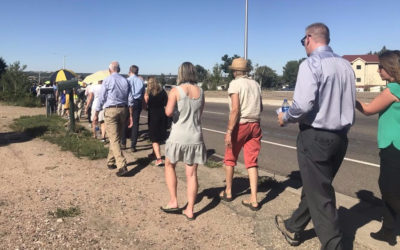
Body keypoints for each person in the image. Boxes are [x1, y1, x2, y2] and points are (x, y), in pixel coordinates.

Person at [275, 23, 356, 249]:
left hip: (316, 137)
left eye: (303, 41)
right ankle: (294, 225)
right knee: (316, 186)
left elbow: (302, 105)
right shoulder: (346, 65)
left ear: (309, 38)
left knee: (321, 197)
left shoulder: (311, 64)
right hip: (340, 138)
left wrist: (286, 117)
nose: (304, 46)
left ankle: (334, 245)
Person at [356, 50, 400, 246]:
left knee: (388, 188)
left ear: (391, 68)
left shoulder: (392, 90)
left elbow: (368, 110)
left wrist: (350, 99)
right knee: (392, 189)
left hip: (394, 146)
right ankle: (388, 230)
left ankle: (389, 229)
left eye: (381, 66)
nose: (379, 70)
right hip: (394, 145)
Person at [161, 62, 207, 220]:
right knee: (192, 174)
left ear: (181, 73)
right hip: (195, 135)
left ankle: (174, 200)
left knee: (169, 164)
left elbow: (168, 112)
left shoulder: (175, 91)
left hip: (178, 135)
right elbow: (200, 115)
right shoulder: (201, 91)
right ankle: (190, 209)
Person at [219, 57, 263, 211]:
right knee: (252, 161)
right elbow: (261, 107)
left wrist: (229, 131)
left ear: (235, 71)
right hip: (255, 124)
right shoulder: (256, 84)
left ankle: (229, 191)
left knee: (230, 158)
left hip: (241, 124)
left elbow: (235, 109)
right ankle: (254, 199)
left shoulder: (235, 84)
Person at [94, 61, 133, 177]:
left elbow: (101, 98)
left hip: (111, 110)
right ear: (119, 69)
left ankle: (121, 165)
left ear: (110, 70)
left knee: (114, 138)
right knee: (115, 137)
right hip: (123, 109)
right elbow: (130, 99)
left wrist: (96, 112)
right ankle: (110, 161)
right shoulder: (125, 80)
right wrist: (130, 115)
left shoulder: (107, 80)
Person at [144, 76, 168, 166]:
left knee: (154, 138)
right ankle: (154, 153)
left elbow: (145, 106)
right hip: (162, 115)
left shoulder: (148, 93)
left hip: (153, 115)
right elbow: (166, 103)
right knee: (158, 135)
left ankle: (159, 159)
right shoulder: (162, 92)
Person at [121, 65, 144, 152]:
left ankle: (123, 143)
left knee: (124, 122)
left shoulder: (126, 80)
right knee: (135, 123)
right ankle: (133, 145)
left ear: (130, 71)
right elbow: (142, 93)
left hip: (127, 102)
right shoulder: (140, 81)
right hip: (137, 102)